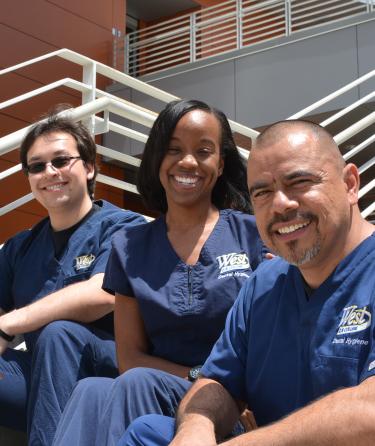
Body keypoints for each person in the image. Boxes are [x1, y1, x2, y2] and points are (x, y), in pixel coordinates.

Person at [121, 119, 375, 446]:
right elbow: (218, 383)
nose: (281, 204)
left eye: (298, 181)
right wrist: (195, 428)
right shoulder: (264, 284)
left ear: (350, 183)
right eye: (263, 192)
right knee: (149, 433)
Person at [52, 99, 267, 446]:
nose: (187, 161)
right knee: (91, 390)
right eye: (173, 149)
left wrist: (223, 389)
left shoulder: (253, 234)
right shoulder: (130, 245)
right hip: (160, 389)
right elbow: (130, 357)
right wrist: (197, 376)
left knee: (135, 383)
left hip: (233, 403)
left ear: (221, 163)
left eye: (203, 151)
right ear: (156, 160)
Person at [0, 111, 145, 446]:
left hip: (111, 375)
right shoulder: (22, 247)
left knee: (59, 333)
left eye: (61, 160)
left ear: (90, 167)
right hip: (41, 373)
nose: (50, 172)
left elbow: (102, 294)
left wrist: (11, 323)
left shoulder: (124, 227)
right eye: (37, 166)